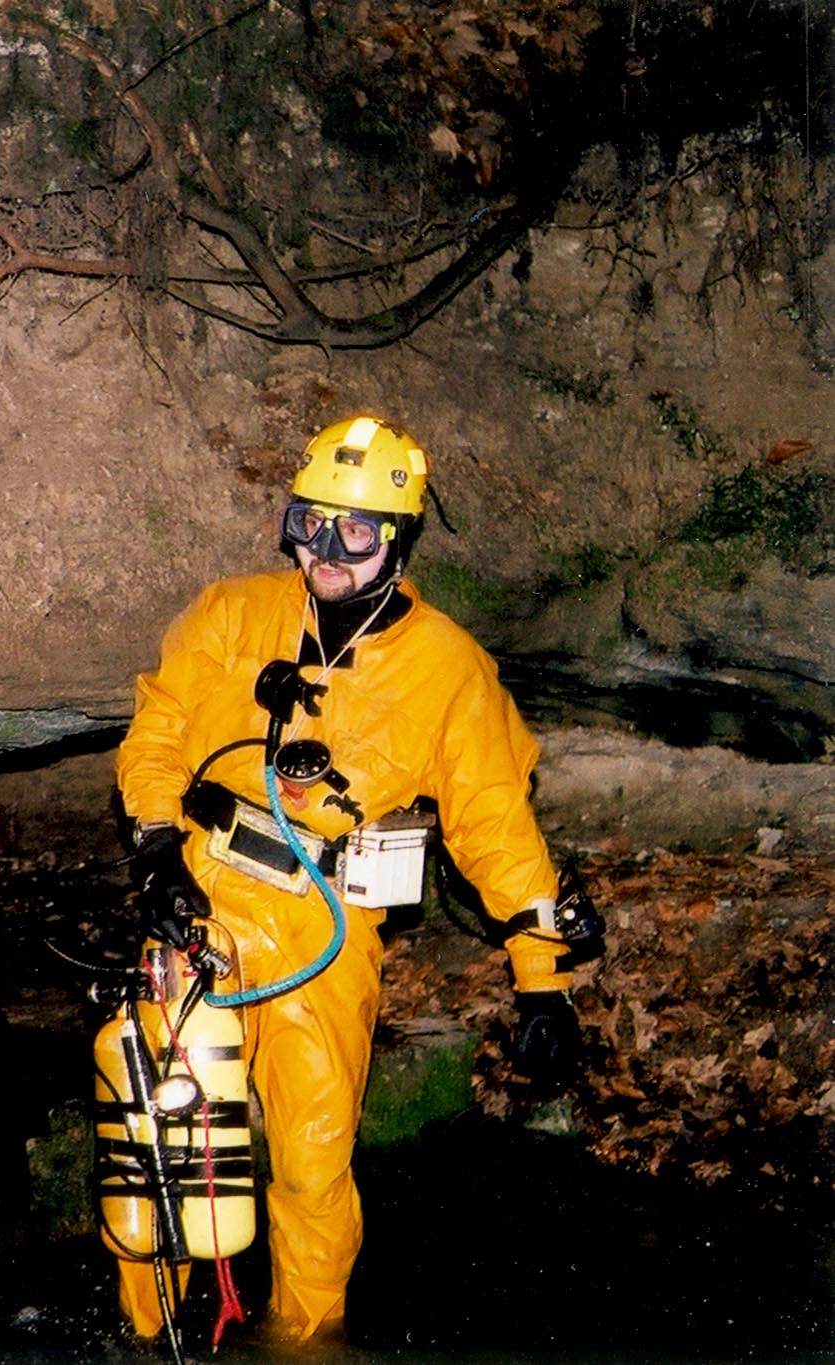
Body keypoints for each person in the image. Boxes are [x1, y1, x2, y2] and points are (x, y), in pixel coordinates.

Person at [113, 415, 600, 1346]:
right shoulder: (230, 613)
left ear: (398, 539)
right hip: (202, 899)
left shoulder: (446, 668)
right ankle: (148, 1337)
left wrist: (543, 979)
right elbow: (158, 730)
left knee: (310, 1161)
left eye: (355, 532)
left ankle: (304, 1342)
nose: (324, 553)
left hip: (324, 927)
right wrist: (155, 849)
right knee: (161, 1145)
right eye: (309, 524)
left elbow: (494, 824)